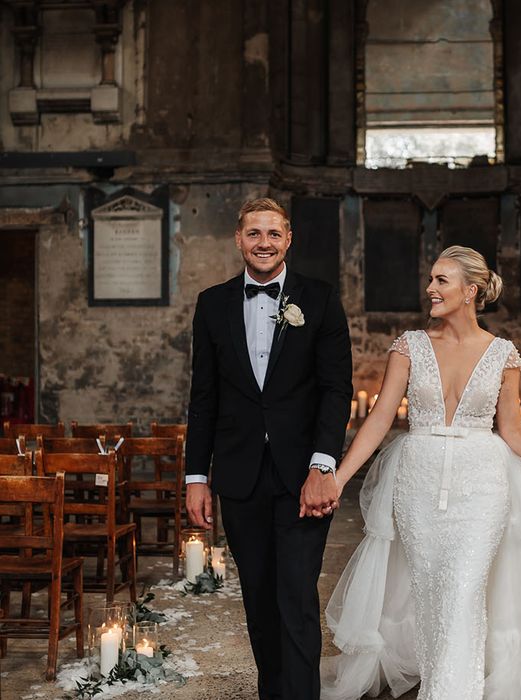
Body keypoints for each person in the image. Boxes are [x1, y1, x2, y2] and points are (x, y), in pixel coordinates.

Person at [321, 246, 521, 700]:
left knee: (465, 588)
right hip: (418, 484)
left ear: (471, 291)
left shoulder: (503, 354)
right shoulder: (409, 346)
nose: (430, 288)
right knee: (431, 590)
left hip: (482, 486)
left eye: (441, 280)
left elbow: (513, 432)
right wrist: (340, 476)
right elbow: (379, 419)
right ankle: (439, 680)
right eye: (431, 278)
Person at [185, 197, 352, 700]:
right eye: (254, 234)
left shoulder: (319, 299)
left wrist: (323, 464)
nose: (264, 243)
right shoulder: (211, 304)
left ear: (289, 239)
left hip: (304, 478)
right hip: (238, 478)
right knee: (258, 600)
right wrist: (197, 477)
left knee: (296, 597)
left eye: (273, 234)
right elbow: (204, 397)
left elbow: (335, 390)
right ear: (238, 239)